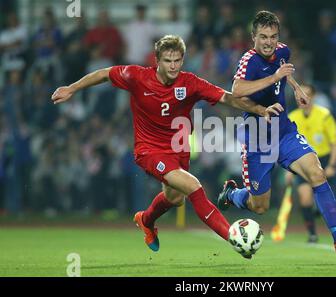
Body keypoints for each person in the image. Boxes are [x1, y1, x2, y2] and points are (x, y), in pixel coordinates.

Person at [51, 35, 283, 258]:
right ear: (157, 60)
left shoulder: (190, 82)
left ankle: (146, 220)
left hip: (179, 150)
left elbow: (226, 97)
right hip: (149, 151)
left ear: (182, 60)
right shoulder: (137, 76)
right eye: (167, 60)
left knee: (174, 199)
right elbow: (104, 74)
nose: (173, 66)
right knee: (193, 186)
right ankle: (233, 237)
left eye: (177, 60)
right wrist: (71, 88)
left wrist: (260, 110)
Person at [217, 11, 336, 256]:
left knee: (316, 172)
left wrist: (295, 88)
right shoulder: (249, 60)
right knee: (259, 206)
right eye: (263, 36)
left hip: (283, 132)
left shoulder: (282, 51)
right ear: (253, 37)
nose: (268, 42)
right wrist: (274, 78)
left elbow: (284, 71)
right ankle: (233, 194)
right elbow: (237, 90)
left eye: (273, 36)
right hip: (258, 139)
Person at [271, 84, 336, 243]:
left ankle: (333, 228)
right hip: (300, 160)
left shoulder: (324, 115)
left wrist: (332, 165)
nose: (303, 97)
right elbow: (285, 144)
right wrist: (289, 169)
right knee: (304, 198)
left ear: (313, 97)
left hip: (322, 158)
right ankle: (312, 233)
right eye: (300, 93)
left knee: (321, 195)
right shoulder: (292, 116)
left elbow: (335, 141)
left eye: (307, 94)